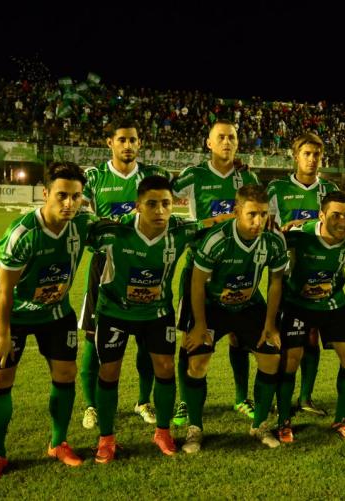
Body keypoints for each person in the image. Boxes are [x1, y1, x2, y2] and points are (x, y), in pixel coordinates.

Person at [0, 162, 95, 484]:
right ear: (46, 194)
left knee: (65, 374)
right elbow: (5, 289)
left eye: (76, 197)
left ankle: (58, 443)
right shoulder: (22, 234)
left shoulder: (83, 224)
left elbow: (118, 228)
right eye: (62, 195)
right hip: (14, 314)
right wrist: (3, 333)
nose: (69, 203)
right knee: (0, 377)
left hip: (55, 312)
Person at [91, 176, 198, 463]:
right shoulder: (115, 231)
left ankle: (162, 432)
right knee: (109, 371)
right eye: (152, 204)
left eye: (166, 203)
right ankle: (106, 439)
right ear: (137, 206)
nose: (160, 210)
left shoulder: (181, 231)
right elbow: (77, 232)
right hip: (115, 311)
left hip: (157, 313)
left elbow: (215, 225)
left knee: (165, 368)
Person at [79, 119, 172, 430]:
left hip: (145, 264)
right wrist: (108, 223)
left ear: (139, 143)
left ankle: (143, 401)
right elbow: (80, 211)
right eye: (122, 140)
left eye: (133, 140)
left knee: (147, 340)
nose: (128, 145)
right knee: (93, 338)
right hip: (105, 266)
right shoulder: (94, 177)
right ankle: (91, 405)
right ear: (110, 143)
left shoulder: (152, 175)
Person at [180, 185, 288, 453]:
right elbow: (197, 283)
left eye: (263, 214)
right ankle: (195, 428)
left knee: (271, 356)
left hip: (248, 305)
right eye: (252, 214)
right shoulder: (217, 239)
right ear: (237, 211)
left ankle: (260, 425)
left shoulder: (273, 240)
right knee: (197, 360)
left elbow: (276, 282)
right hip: (212, 306)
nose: (258, 221)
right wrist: (200, 325)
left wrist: (270, 324)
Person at [171, 120, 261, 426]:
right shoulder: (194, 175)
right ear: (208, 143)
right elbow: (164, 194)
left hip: (239, 267)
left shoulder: (246, 176)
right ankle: (185, 401)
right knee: (192, 338)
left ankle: (242, 397)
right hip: (201, 268)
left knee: (239, 336)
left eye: (231, 137)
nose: (226, 142)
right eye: (220, 137)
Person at [276, 191, 345, 442]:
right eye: (335, 215)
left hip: (333, 303)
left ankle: (341, 419)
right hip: (298, 304)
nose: (343, 222)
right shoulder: (300, 235)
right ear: (322, 216)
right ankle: (283, 421)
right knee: (290, 359)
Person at [267, 132, 340, 417]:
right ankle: (278, 396)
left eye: (316, 154)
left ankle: (306, 397)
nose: (312, 159)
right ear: (295, 156)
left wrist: (302, 224)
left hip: (319, 275)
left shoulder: (330, 189)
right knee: (283, 338)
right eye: (306, 154)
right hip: (285, 274)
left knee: (312, 337)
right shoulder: (277, 188)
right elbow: (268, 227)